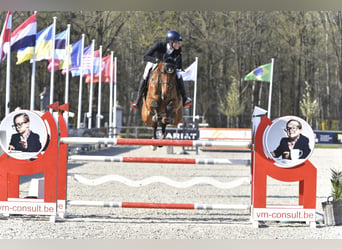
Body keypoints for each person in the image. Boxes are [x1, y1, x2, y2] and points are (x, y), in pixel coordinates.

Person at [131, 30, 192, 110]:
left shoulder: (178, 50)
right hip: (155, 62)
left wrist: (175, 63)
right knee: (146, 74)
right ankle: (138, 100)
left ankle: (184, 98)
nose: (179, 45)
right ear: (170, 42)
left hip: (169, 66)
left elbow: (179, 64)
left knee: (179, 74)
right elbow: (145, 57)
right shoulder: (159, 45)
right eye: (177, 42)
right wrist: (156, 60)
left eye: (179, 42)